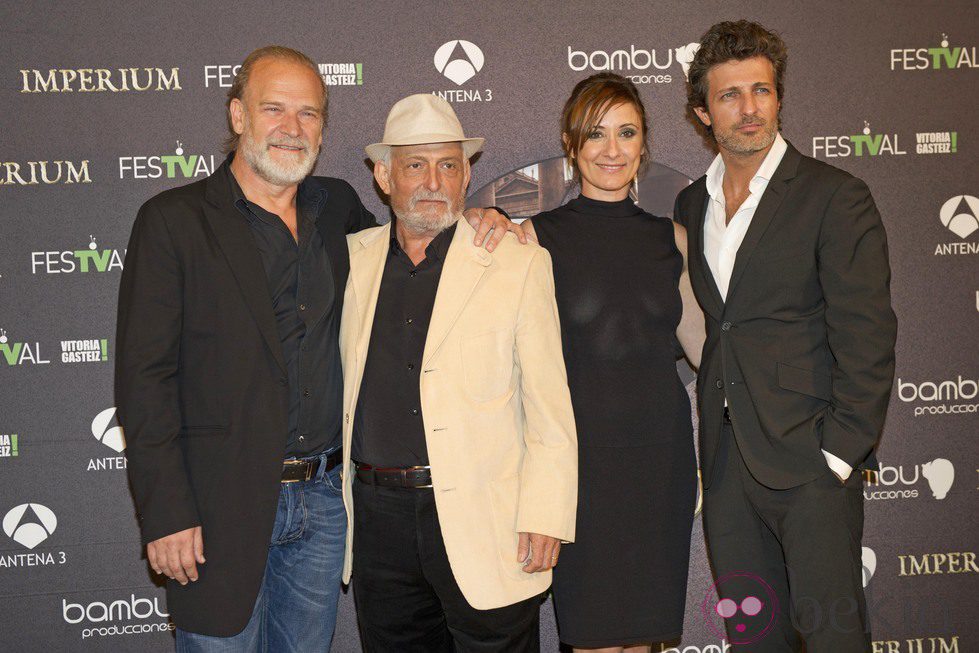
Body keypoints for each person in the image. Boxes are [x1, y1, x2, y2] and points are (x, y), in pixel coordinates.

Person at [115, 46, 519, 651]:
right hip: (218, 505)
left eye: (308, 113)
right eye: (273, 108)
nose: (291, 127)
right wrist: (166, 512)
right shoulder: (173, 222)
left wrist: (489, 219)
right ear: (237, 116)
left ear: (324, 129)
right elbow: (144, 384)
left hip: (326, 506)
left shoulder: (338, 211)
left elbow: (419, 235)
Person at [674, 21, 897, 651]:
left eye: (761, 91)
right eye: (729, 96)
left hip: (811, 465)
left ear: (778, 97)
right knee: (753, 638)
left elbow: (868, 334)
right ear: (702, 113)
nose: (749, 109)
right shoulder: (693, 203)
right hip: (725, 467)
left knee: (832, 639)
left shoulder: (835, 197)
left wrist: (837, 455)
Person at [339, 93, 578, 652]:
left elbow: (549, 404)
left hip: (485, 522)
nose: (434, 181)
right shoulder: (350, 259)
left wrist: (545, 514)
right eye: (415, 165)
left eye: (449, 164)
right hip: (378, 523)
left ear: (468, 173)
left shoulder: (518, 260)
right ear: (382, 175)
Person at [520, 73, 705, 652]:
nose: (612, 149)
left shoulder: (671, 240)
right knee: (597, 640)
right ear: (572, 147)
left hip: (661, 463)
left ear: (644, 145)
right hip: (578, 470)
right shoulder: (532, 240)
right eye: (595, 134)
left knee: (644, 641)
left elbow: (709, 351)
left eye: (627, 133)